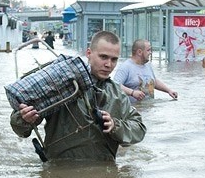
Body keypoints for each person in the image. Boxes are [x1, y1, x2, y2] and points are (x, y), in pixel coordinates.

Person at [10, 31, 146, 161]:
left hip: (103, 170)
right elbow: (21, 129)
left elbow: (139, 128)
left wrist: (115, 125)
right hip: (59, 171)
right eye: (103, 57)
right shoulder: (59, 84)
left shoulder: (118, 94)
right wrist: (24, 119)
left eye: (114, 59)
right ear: (89, 53)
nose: (108, 64)